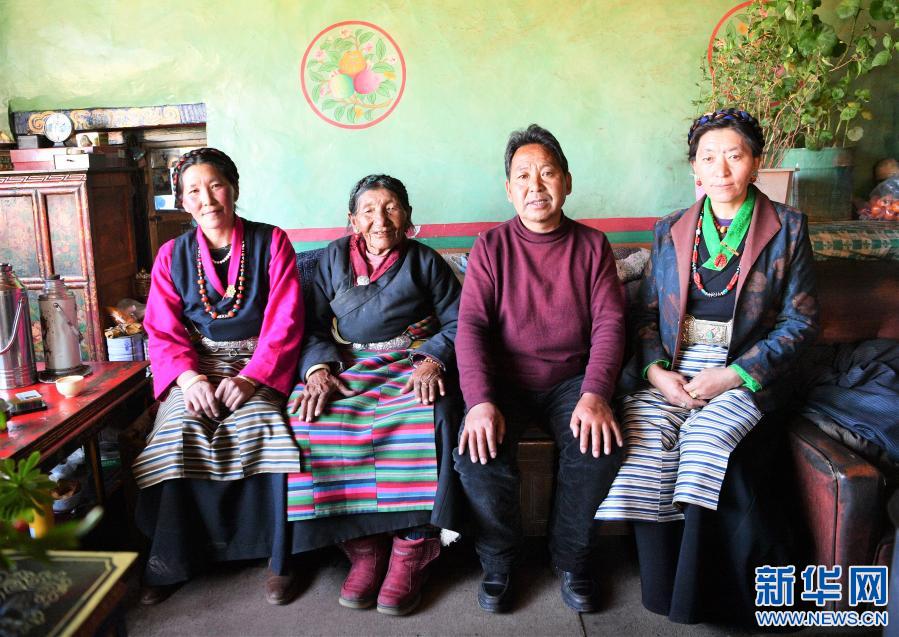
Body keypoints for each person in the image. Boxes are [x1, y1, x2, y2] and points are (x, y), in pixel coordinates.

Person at [596, 108, 819, 624]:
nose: (721, 169)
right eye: (708, 157)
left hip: (745, 369)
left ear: (756, 162)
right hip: (676, 367)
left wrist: (732, 376)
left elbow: (802, 322)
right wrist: (655, 373)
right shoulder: (671, 228)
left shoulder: (787, 227)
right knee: (644, 434)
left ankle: (704, 595)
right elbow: (646, 315)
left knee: (704, 442)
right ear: (694, 166)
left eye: (734, 156)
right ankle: (662, 587)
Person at [454, 124, 626, 613]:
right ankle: (500, 560)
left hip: (572, 381)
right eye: (523, 176)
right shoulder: (490, 247)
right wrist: (480, 402)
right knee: (476, 455)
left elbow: (611, 323)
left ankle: (571, 558)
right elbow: (471, 328)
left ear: (566, 182)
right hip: (504, 383)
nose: (536, 186)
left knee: (597, 448)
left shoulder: (592, 246)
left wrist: (595, 393)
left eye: (547, 173)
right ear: (509, 189)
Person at [132, 148, 304, 606]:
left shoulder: (272, 242)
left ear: (234, 189)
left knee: (261, 426)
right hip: (196, 363)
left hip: (257, 363)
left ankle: (277, 559)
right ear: (182, 201)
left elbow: (285, 320)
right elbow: (162, 328)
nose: (207, 199)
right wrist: (189, 380)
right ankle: (169, 560)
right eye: (193, 191)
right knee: (179, 429)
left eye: (216, 186)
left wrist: (252, 378)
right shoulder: (172, 255)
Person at [286, 174, 463, 616]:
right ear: (353, 220)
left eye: (391, 208)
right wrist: (318, 370)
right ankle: (363, 547)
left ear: (408, 216)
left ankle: (413, 546)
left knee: (433, 412)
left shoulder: (425, 261)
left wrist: (433, 360)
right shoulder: (331, 259)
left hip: (411, 363)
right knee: (306, 417)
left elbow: (460, 321)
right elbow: (310, 326)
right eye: (368, 210)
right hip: (348, 365)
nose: (380, 220)